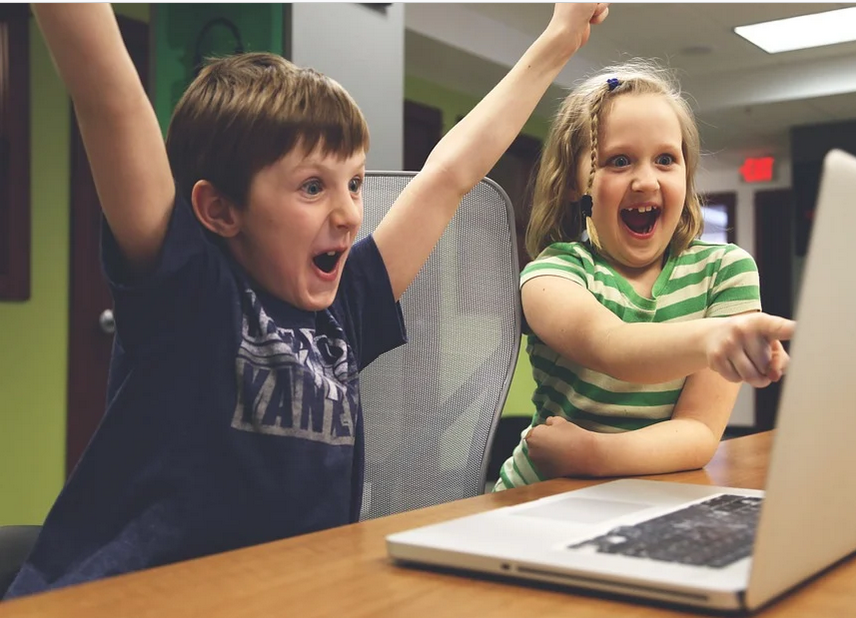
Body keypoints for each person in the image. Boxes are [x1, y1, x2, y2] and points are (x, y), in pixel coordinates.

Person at [6, 2, 611, 598]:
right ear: (220, 210)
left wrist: (559, 37)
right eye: (313, 186)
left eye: (353, 182)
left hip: (288, 595)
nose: (350, 214)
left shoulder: (345, 306)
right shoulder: (186, 286)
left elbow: (448, 177)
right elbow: (108, 101)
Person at [493, 59, 795, 491]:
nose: (645, 181)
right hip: (540, 495)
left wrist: (593, 455)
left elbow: (699, 432)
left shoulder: (726, 271)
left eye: (666, 160)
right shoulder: (551, 275)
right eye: (619, 160)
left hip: (646, 497)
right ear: (577, 181)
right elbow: (614, 347)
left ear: (686, 173)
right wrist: (714, 338)